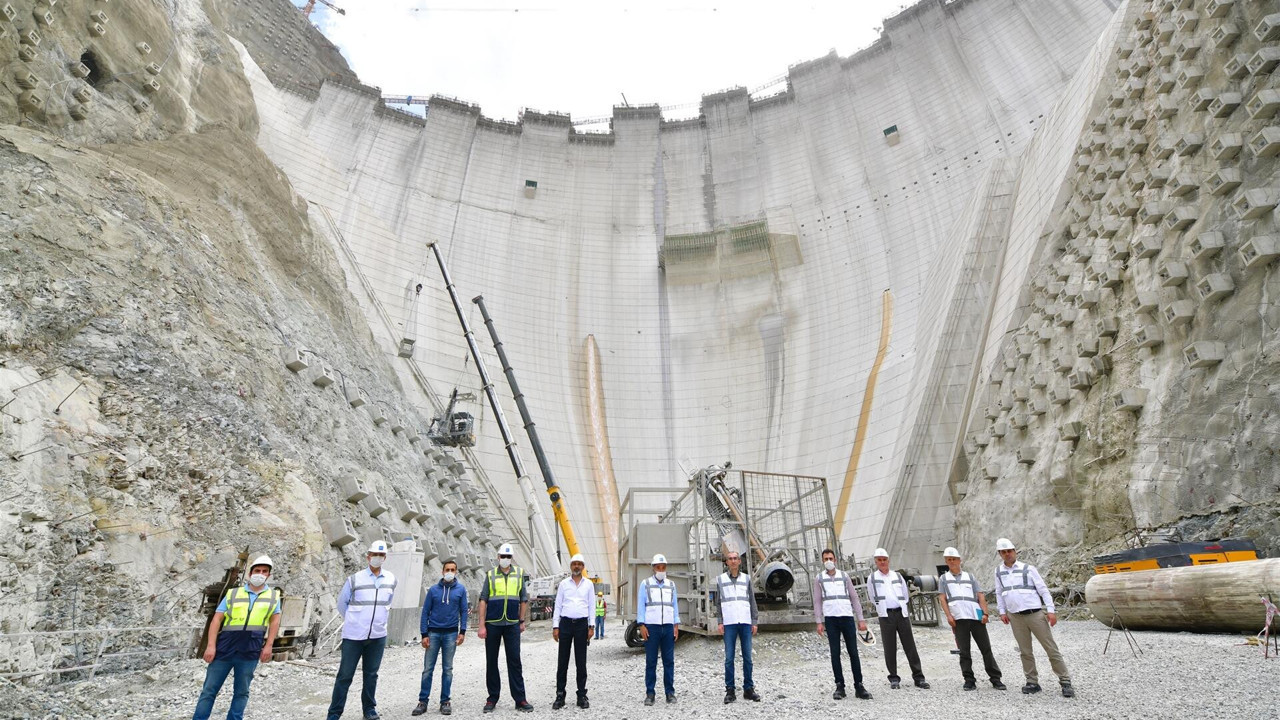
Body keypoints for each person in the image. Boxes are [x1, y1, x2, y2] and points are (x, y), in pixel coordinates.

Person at [192, 555, 281, 720]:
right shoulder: (233, 593)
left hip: (250, 651)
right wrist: (211, 646)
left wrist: (269, 646)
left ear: (268, 575)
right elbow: (217, 619)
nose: (260, 574)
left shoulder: (273, 596)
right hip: (224, 649)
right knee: (209, 691)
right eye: (257, 570)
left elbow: (274, 622)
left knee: (241, 692)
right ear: (250, 573)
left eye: (264, 571)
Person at [994, 538, 1074, 698]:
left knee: (1050, 648)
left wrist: (1051, 610)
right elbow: (999, 592)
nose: (1007, 554)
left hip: (1035, 615)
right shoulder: (998, 572)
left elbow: (1043, 590)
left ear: (1015, 551)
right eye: (1004, 552)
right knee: (1025, 651)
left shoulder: (1028, 569)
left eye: (1009, 550)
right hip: (1015, 617)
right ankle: (1032, 682)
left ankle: (1065, 682)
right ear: (1000, 554)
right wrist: (1002, 611)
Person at [327, 541, 397, 720]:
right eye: (374, 554)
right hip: (354, 636)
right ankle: (334, 713)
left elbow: (388, 604)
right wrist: (356, 621)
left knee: (371, 675)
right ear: (368, 556)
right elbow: (342, 605)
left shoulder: (391, 579)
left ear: (385, 558)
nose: (377, 558)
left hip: (377, 636)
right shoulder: (355, 579)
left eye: (381, 555)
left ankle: (369, 710)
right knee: (345, 676)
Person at [938, 547, 1005, 691]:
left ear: (959, 560)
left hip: (975, 617)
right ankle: (969, 680)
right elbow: (942, 599)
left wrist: (985, 614)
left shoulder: (970, 577)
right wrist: (949, 616)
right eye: (949, 560)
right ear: (946, 561)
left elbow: (980, 596)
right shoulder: (943, 579)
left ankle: (995, 679)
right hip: (959, 618)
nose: (952, 562)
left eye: (954, 559)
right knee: (964, 651)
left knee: (986, 649)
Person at [478, 543, 533, 713]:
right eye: (503, 556)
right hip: (493, 623)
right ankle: (492, 698)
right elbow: (483, 600)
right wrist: (481, 625)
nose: (505, 559)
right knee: (492, 661)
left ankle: (520, 699)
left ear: (512, 558)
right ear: (498, 557)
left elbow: (523, 598)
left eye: (508, 557)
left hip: (512, 624)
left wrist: (521, 621)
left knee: (515, 661)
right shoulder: (491, 575)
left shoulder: (519, 574)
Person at [813, 548, 872, 701]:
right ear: (822, 561)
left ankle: (859, 685)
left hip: (846, 618)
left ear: (835, 560)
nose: (828, 561)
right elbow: (817, 601)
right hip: (831, 619)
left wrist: (861, 619)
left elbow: (854, 598)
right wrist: (819, 621)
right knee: (835, 653)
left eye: (830, 558)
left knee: (853, 652)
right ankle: (840, 686)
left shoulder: (844, 576)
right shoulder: (819, 578)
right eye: (825, 559)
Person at [868, 548, 929, 690]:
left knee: (910, 646)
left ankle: (919, 677)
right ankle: (894, 678)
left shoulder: (897, 576)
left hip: (901, 613)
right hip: (885, 615)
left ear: (888, 561)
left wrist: (901, 607)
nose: (882, 562)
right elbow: (872, 596)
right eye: (879, 560)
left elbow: (905, 595)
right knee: (890, 647)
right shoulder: (873, 578)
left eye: (884, 560)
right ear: (876, 562)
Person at [413, 559, 468, 716]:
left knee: (448, 669)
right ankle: (422, 701)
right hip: (433, 634)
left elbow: (464, 611)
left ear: (456, 572)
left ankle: (445, 701)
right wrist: (424, 634)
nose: (450, 572)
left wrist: (462, 632)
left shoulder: (461, 590)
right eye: (447, 569)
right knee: (427, 669)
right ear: (442, 571)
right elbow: (425, 612)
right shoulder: (433, 590)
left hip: (451, 634)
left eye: (453, 569)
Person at [716, 550, 760, 703]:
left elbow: (752, 601)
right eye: (730, 559)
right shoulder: (721, 580)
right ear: (726, 562)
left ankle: (748, 689)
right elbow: (718, 602)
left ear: (739, 561)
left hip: (745, 622)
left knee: (747, 657)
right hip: (729, 623)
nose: (733, 561)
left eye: (735, 558)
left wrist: (754, 621)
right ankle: (730, 690)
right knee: (729, 658)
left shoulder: (746, 579)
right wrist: (720, 621)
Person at [552, 554, 595, 709]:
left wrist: (591, 626)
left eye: (579, 564)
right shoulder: (564, 584)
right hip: (565, 624)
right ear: (571, 566)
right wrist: (555, 626)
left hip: (582, 625)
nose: (576, 566)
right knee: (562, 661)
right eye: (574, 564)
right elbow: (558, 605)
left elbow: (591, 606)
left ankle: (582, 695)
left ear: (583, 567)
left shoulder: (589, 584)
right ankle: (560, 695)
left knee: (581, 662)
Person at [637, 553, 679, 706]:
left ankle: (670, 692)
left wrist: (676, 625)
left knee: (669, 661)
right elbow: (641, 605)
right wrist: (641, 625)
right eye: (658, 567)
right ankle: (650, 693)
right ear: (653, 568)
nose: (661, 569)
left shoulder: (671, 585)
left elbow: (674, 606)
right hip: (652, 628)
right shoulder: (645, 584)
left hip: (668, 627)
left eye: (663, 567)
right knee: (651, 661)